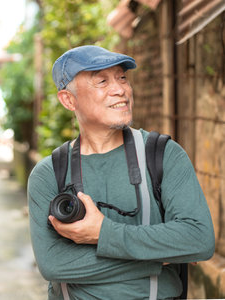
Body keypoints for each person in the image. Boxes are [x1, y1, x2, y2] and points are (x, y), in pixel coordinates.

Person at [27, 45, 215, 299]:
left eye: (122, 78)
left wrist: (103, 233)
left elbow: (198, 239)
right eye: (102, 81)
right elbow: (53, 264)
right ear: (68, 100)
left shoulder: (162, 155)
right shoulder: (49, 173)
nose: (120, 90)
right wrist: (157, 259)